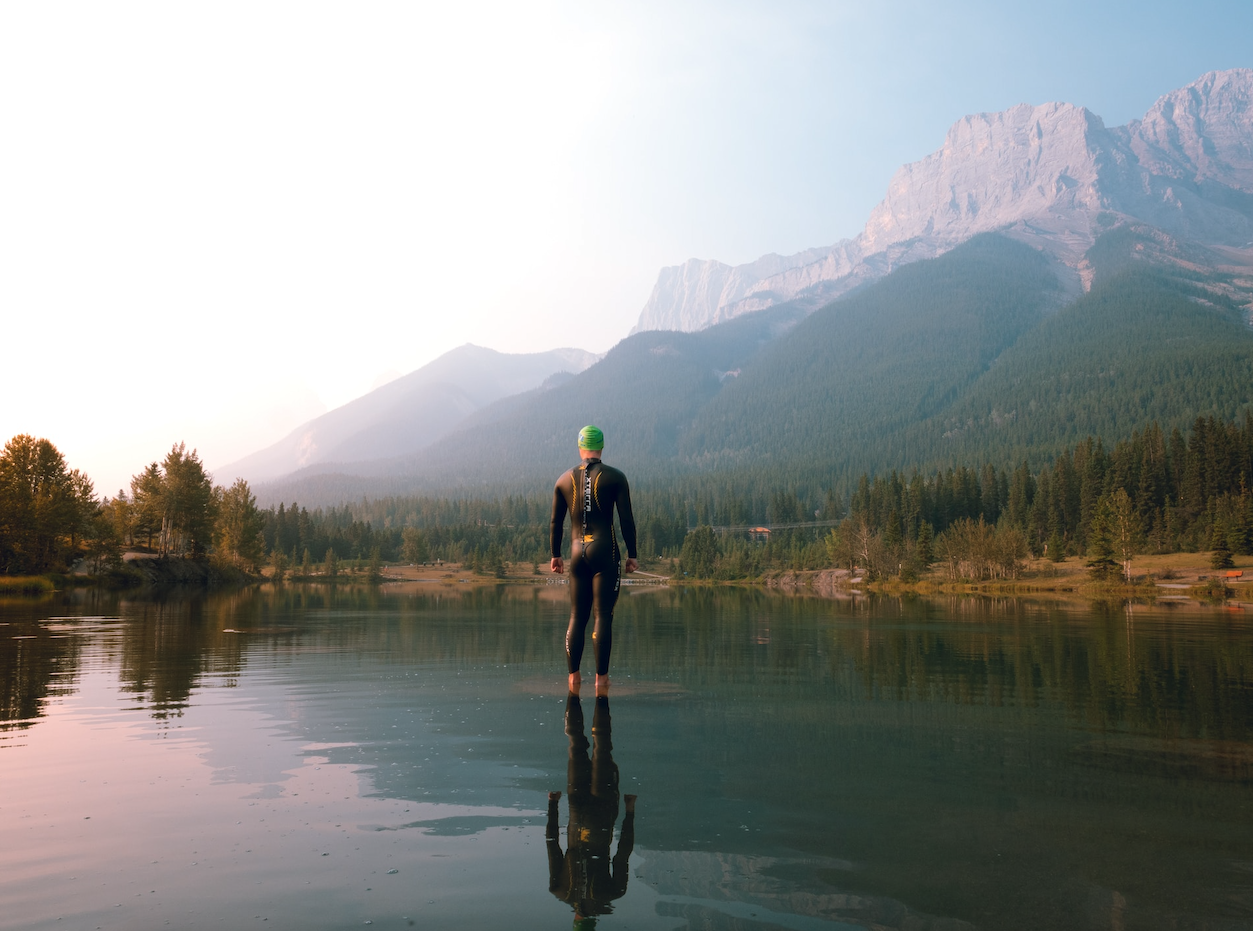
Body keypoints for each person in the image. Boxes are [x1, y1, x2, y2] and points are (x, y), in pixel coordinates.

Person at [550, 425, 638, 697]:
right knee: (603, 617)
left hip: (577, 553)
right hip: (605, 553)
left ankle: (573, 680)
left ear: (580, 447)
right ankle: (601, 682)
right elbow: (626, 519)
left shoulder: (563, 480)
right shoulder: (615, 477)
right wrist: (632, 554)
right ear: (602, 446)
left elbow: (556, 522)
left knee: (577, 616)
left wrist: (555, 554)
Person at [546, 693, 636, 925]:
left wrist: (630, 812)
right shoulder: (560, 891)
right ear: (575, 922)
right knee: (576, 742)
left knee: (602, 745)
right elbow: (551, 843)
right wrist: (552, 805)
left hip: (603, 813)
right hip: (577, 809)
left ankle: (601, 695)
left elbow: (622, 854)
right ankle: (575, 694)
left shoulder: (609, 896)